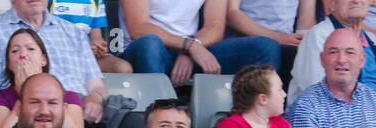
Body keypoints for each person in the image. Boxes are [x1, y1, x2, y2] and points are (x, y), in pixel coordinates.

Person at [0, 0, 109, 127]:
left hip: (81, 114)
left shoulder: (73, 32)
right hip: (26, 117)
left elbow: (96, 86)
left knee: (128, 120)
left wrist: (95, 99)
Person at [118, 0, 281, 85]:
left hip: (193, 49)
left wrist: (193, 47)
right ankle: (159, 118)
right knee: (150, 44)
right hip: (150, 51)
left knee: (265, 47)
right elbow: (138, 28)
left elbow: (215, 26)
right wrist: (188, 46)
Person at [0, 27, 87, 128]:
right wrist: (24, 94)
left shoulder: (68, 97)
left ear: (43, 60)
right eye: (15, 51)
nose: (23, 55)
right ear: (9, 63)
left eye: (30, 49)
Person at [289, 0, 376, 102]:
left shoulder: (375, 43)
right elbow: (317, 91)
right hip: (332, 119)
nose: (356, 1)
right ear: (332, 3)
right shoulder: (319, 36)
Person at [228, 0, 319, 78]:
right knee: (268, 48)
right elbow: (231, 12)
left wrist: (307, 44)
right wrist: (277, 37)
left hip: (287, 40)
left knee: (309, 57)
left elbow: (306, 20)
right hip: (247, 40)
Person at [48, 0, 132, 72]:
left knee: (122, 68)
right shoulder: (48, 2)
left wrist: (97, 47)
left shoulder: (96, 2)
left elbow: (96, 36)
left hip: (85, 57)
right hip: (56, 55)